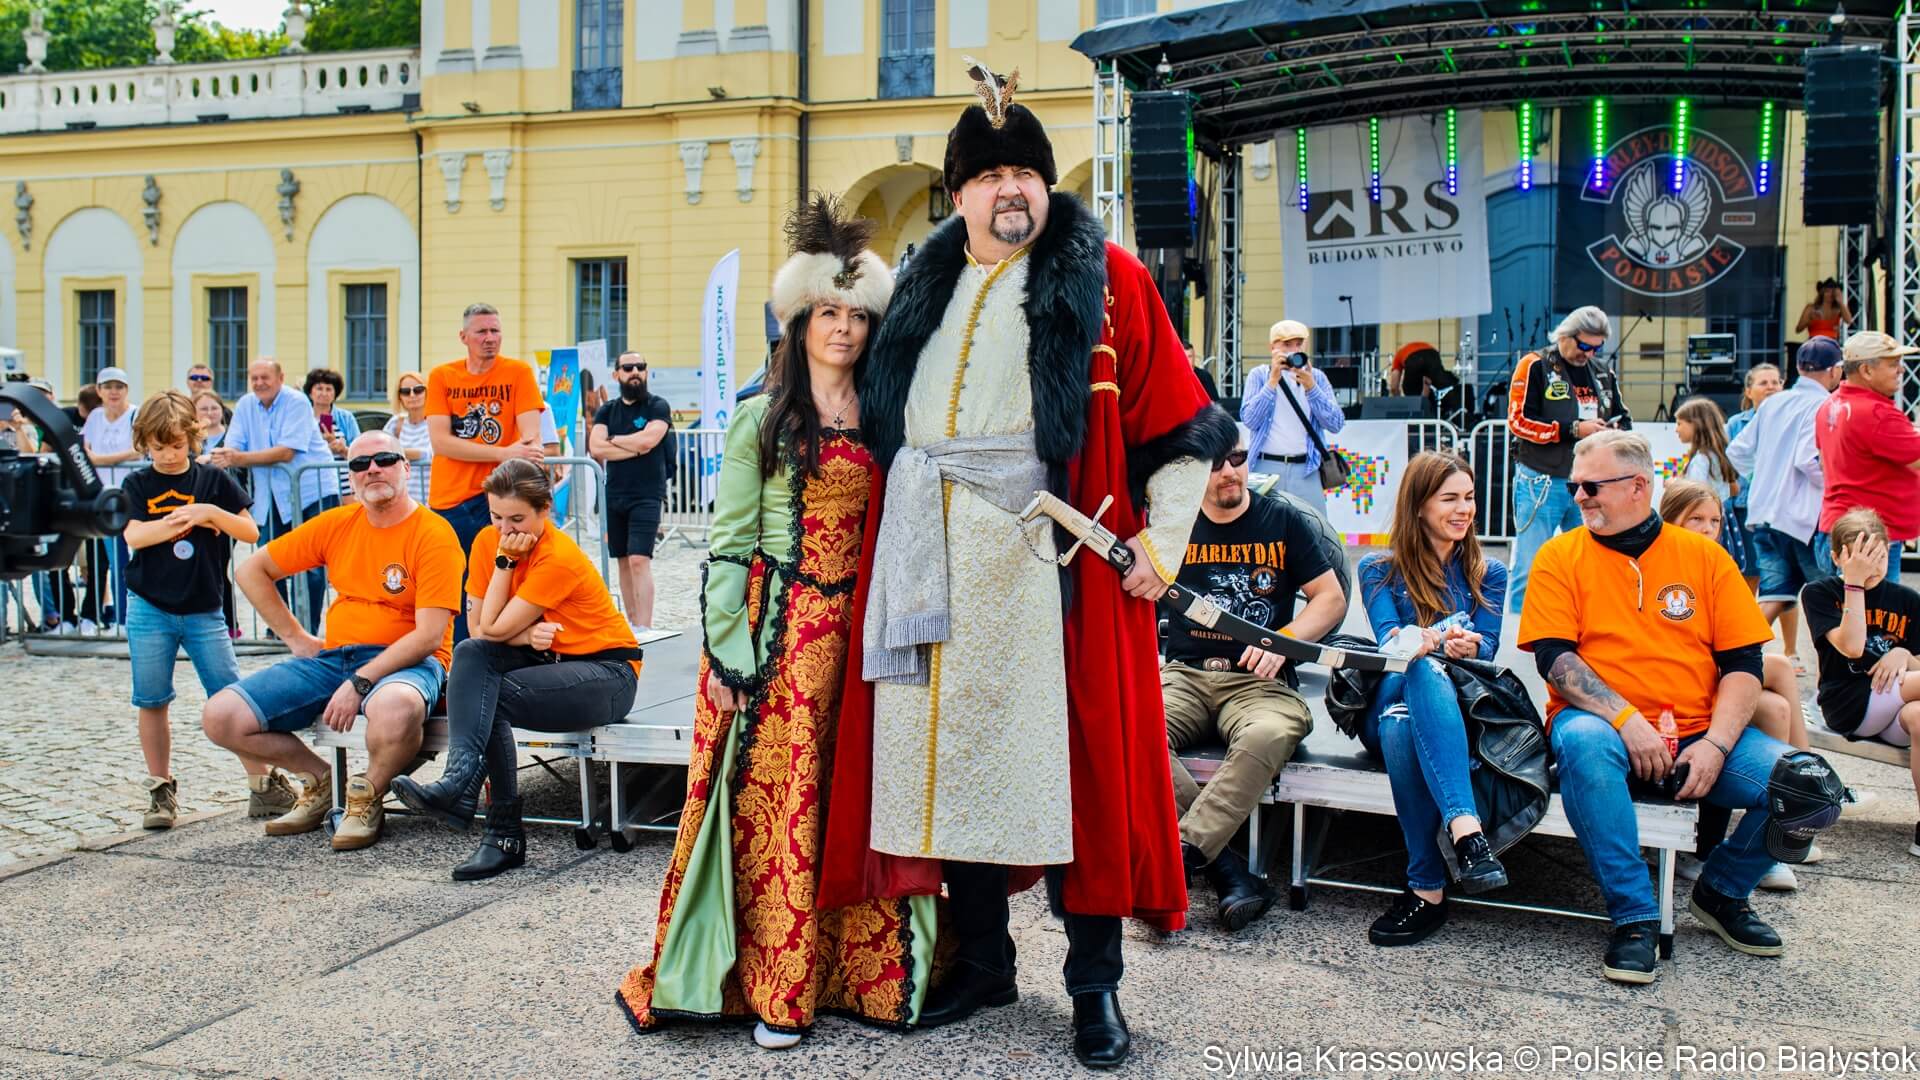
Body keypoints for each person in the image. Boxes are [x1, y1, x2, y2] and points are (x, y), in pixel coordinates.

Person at [820, 65, 1237, 1070]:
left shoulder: (1109, 280)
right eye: (990, 175)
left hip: (1052, 566)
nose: (1011, 190)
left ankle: (1095, 989)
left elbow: (1180, 425)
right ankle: (985, 963)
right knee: (949, 765)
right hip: (926, 556)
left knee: (1071, 776)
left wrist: (1163, 542)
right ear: (958, 192)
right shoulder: (917, 288)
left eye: (1027, 174)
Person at [617, 196, 934, 1048]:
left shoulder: (888, 415)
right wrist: (730, 654)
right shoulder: (762, 417)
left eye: (855, 315)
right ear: (798, 322)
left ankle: (858, 977)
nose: (843, 329)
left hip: (865, 637)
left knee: (858, 798)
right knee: (782, 808)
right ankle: (775, 986)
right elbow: (728, 544)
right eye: (827, 313)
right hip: (780, 639)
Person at [1521, 430, 1812, 985]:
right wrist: (1627, 720)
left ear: (1638, 486)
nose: (1578, 496)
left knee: (1811, 790)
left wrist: (1716, 745)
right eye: (1574, 485)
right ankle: (1634, 916)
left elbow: (1744, 665)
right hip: (1602, 724)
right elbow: (1554, 660)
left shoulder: (1704, 556)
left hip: (1699, 728)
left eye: (1590, 486)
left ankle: (1722, 891)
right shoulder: (1560, 554)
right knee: (1583, 746)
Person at [200, 431, 461, 850]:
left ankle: (367, 793)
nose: (372, 469)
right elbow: (250, 571)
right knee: (222, 716)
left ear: (406, 468)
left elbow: (429, 636)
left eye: (384, 459)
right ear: (351, 477)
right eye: (359, 464)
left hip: (411, 662)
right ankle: (322, 781)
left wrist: (360, 682)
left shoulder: (433, 533)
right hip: (336, 658)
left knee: (394, 707)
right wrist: (297, 638)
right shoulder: (338, 523)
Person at [392, 459, 640, 879]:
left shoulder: (557, 557)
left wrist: (506, 564)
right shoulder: (486, 542)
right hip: (547, 659)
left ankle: (495, 825)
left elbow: (492, 627)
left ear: (546, 510)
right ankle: (461, 782)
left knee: (489, 696)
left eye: (517, 519)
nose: (506, 530)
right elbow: (478, 632)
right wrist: (525, 636)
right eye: (496, 517)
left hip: (607, 674)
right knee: (471, 655)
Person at [1161, 429, 1344, 932]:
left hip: (1258, 683)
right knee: (1129, 727)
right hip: (1185, 674)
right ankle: (1225, 867)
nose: (1230, 471)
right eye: (1216, 463)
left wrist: (1282, 641)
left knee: (1270, 732)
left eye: (1238, 458)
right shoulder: (1173, 526)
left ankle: (1184, 855)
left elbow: (1330, 599)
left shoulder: (1281, 519)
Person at [1357, 450, 1510, 946]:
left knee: (1404, 723)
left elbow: (1487, 650)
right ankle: (1468, 835)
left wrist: (1464, 645)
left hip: (1454, 711)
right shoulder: (1379, 568)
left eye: (1469, 497)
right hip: (1389, 693)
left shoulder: (1490, 572)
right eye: (1450, 499)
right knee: (1418, 671)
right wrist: (1445, 635)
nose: (1464, 509)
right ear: (1419, 505)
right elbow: (1391, 645)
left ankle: (1426, 887)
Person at [117, 391, 265, 829]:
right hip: (149, 606)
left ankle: (262, 783)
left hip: (204, 607)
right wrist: (179, 521)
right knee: (152, 699)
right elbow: (134, 536)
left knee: (231, 695)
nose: (167, 455)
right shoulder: (137, 484)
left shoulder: (212, 480)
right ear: (144, 443)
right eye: (158, 447)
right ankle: (160, 789)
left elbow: (250, 531)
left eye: (176, 446)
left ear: (192, 438)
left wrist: (209, 513)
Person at [1660, 478, 1813, 890]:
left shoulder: (1717, 564)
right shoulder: (1662, 564)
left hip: (1719, 677)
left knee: (1776, 706)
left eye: (1714, 521)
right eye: (1696, 519)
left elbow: (1741, 643)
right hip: (1682, 686)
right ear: (1669, 520)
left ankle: (1787, 813)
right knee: (1778, 670)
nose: (1708, 528)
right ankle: (1805, 781)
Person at [424, 303, 546, 644]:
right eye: (482, 331)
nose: (490, 338)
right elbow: (441, 442)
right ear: (464, 337)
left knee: (506, 574)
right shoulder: (442, 376)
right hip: (452, 498)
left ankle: (501, 647)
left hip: (500, 496)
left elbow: (530, 440)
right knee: (457, 581)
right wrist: (503, 453)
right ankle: (459, 653)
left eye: (495, 331)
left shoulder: (518, 372)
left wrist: (517, 452)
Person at [1803, 507, 1920, 861]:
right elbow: (1852, 647)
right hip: (1848, 704)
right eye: (1861, 559)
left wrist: (1904, 655)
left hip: (1897, 708)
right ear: (1837, 558)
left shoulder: (1907, 600)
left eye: (1879, 557)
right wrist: (1853, 584)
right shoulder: (1820, 593)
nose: (1872, 568)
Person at [1505, 306, 1631, 614]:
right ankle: (1519, 632)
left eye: (1596, 348)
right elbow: (1517, 422)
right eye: (1584, 345)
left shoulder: (1602, 372)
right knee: (1530, 565)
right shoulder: (1534, 365)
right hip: (1541, 479)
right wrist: (1572, 429)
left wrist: (1614, 431)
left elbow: (1624, 418)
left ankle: (1584, 628)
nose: (1588, 353)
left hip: (1589, 483)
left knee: (1591, 563)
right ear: (1565, 335)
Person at [1728, 338, 1843, 667]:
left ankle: (1733, 659)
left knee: (1774, 595)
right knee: (1828, 600)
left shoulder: (1774, 403)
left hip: (1765, 513)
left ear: (1798, 368)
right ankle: (1832, 678)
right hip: (1803, 518)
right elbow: (1808, 460)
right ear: (1834, 370)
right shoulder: (1824, 405)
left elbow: (1737, 451)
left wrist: (1765, 476)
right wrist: (1834, 485)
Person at [208, 358, 343, 633]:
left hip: (312, 490)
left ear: (280, 378)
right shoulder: (245, 404)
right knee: (270, 562)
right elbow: (233, 445)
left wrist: (236, 457)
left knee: (313, 565)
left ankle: (307, 628)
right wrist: (214, 458)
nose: (259, 383)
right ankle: (282, 629)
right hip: (270, 495)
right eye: (254, 378)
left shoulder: (297, 401)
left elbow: (286, 452)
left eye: (265, 377)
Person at [1816, 331, 1920, 584]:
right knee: (1872, 609)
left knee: (1846, 607)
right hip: (1869, 538)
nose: (1901, 370)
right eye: (1893, 364)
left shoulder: (1829, 405)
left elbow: (1822, 462)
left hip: (1841, 527)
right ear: (1866, 370)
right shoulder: (1876, 413)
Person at [589, 352, 673, 634]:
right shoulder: (607, 410)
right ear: (617, 375)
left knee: (639, 559)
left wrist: (614, 440)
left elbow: (649, 440)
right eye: (628, 367)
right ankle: (633, 624)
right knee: (623, 560)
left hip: (647, 494)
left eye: (640, 366)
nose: (635, 371)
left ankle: (645, 626)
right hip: (614, 493)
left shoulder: (657, 406)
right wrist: (633, 447)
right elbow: (596, 447)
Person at [1241, 318, 1345, 511]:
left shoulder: (1317, 377)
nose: (1294, 350)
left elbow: (1336, 423)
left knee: (1314, 525)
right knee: (1262, 526)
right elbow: (1249, 420)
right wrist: (1272, 382)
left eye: (1298, 344)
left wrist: (1311, 387)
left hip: (1306, 468)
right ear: (1272, 347)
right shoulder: (1259, 375)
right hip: (1265, 466)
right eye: (1287, 345)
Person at [80, 367, 139, 635]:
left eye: (119, 387)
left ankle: (134, 616)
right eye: (108, 387)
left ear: (126, 390)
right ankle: (121, 618)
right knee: (116, 561)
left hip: (132, 494)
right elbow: (85, 449)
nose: (114, 392)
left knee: (138, 558)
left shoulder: (135, 414)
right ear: (99, 390)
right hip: (105, 498)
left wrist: (102, 460)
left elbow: (139, 450)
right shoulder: (95, 417)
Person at [1726, 364, 1784, 622]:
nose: (1771, 387)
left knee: (1783, 584)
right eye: (1763, 383)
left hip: (1781, 510)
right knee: (1748, 575)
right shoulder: (1736, 424)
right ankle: (1745, 632)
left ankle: (1790, 644)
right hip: (1746, 508)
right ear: (1749, 391)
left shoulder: (1791, 420)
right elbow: (1728, 463)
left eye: (1776, 382)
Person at [193, 388, 247, 640]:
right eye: (203, 408)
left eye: (214, 408)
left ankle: (228, 621)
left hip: (226, 509)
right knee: (202, 566)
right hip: (197, 510)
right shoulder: (192, 439)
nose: (210, 413)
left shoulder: (231, 437)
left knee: (218, 565)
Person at [1675, 398, 1738, 551]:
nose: (1676, 429)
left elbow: (1695, 494)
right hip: (1719, 521)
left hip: (1702, 525)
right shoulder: (1718, 456)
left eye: (1679, 423)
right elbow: (1734, 489)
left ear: (1695, 425)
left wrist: (1674, 485)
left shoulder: (1701, 460)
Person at [383, 372, 434, 504]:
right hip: (400, 501)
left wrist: (395, 452)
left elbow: (432, 455)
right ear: (399, 397)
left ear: (427, 392)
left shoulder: (436, 421)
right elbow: (380, 452)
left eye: (418, 390)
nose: (412, 395)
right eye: (405, 391)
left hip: (431, 500)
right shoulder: (396, 423)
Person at [304, 368, 361, 459]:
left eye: (329, 389)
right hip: (311, 468)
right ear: (310, 393)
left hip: (341, 468)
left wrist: (342, 450)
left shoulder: (346, 417)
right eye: (319, 389)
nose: (324, 393)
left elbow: (360, 453)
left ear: (335, 394)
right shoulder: (302, 417)